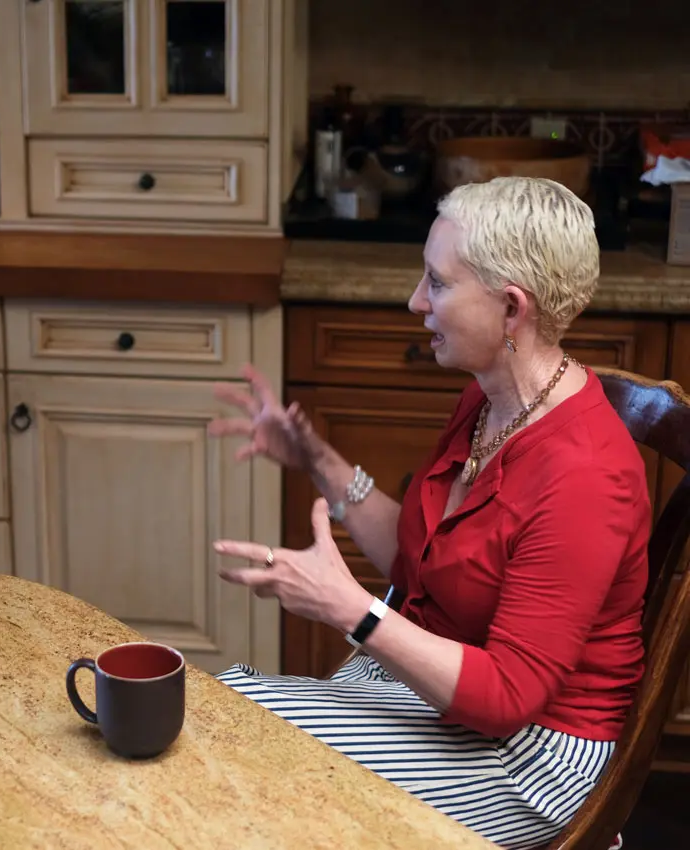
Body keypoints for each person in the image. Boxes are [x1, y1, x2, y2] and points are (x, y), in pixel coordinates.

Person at [208, 176, 647, 850]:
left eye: (437, 283)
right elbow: (425, 563)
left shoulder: (586, 474)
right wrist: (317, 458)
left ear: (510, 309)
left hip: (531, 755)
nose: (416, 301)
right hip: (444, 689)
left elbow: (507, 698)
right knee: (220, 710)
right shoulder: (491, 400)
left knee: (239, 751)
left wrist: (348, 608)